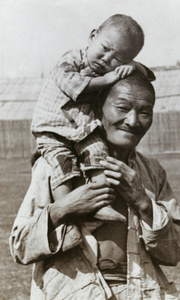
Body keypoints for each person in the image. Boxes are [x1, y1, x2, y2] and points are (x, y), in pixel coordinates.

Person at [10, 72, 180, 300]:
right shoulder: (55, 167)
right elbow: (20, 248)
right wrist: (64, 208)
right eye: (122, 108)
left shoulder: (151, 171)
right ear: (98, 108)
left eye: (145, 112)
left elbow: (174, 253)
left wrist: (143, 202)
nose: (133, 121)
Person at [31, 14, 155, 223]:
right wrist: (108, 78)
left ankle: (101, 203)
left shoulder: (110, 73)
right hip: (53, 129)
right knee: (63, 165)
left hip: (81, 130)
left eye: (117, 59)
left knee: (98, 153)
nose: (106, 59)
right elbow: (72, 84)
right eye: (105, 49)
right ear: (92, 36)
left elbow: (148, 76)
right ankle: (68, 210)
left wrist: (134, 67)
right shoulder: (72, 60)